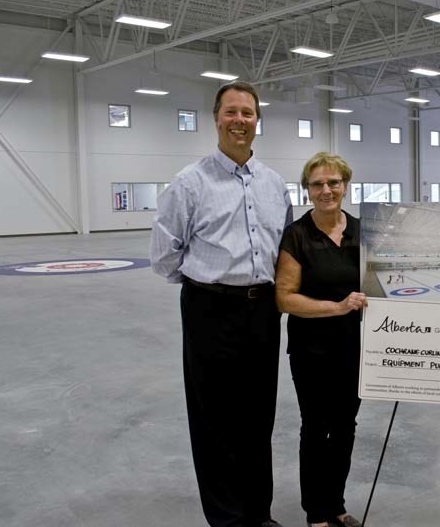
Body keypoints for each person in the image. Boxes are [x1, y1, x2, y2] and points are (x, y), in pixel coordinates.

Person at [150, 81, 292, 527]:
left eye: (247, 113)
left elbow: (281, 248)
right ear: (216, 119)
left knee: (258, 416)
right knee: (214, 420)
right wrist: (205, 287)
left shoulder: (274, 185)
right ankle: (228, 519)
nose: (239, 121)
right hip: (210, 308)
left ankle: (258, 512)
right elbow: (165, 254)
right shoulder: (190, 183)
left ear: (257, 121)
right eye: (231, 112)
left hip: (263, 311)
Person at [275, 152, 367, 527]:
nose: (326, 190)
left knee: (345, 426)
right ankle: (316, 511)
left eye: (333, 182)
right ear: (307, 190)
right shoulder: (297, 235)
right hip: (312, 348)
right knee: (316, 427)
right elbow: (284, 298)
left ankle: (337, 504)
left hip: (353, 347)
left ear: (345, 185)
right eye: (317, 184)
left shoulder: (362, 231)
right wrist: (338, 307)